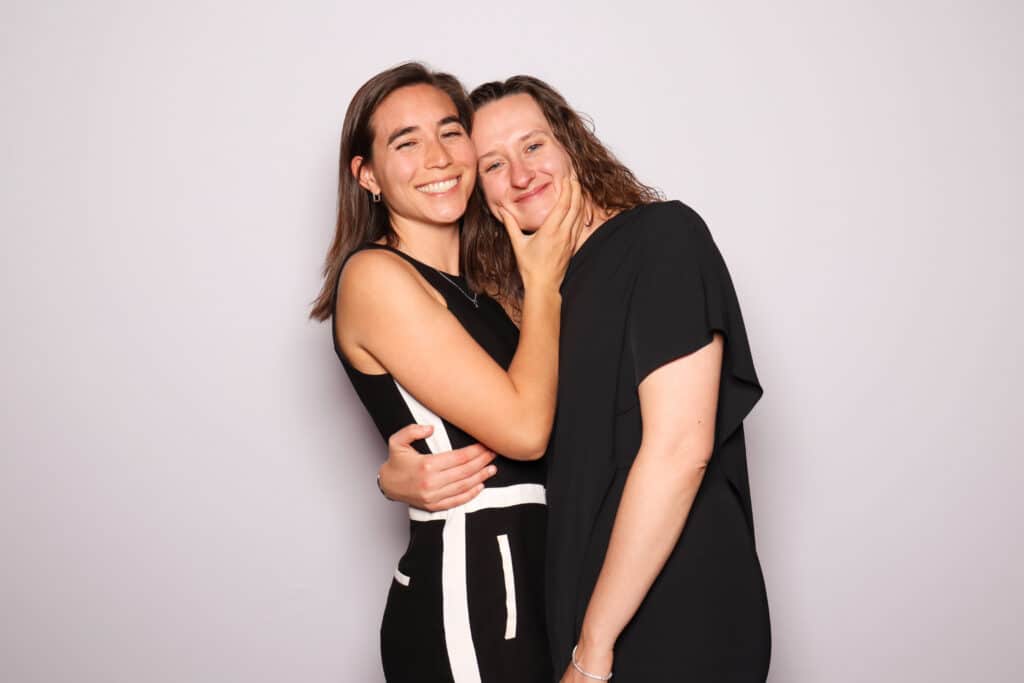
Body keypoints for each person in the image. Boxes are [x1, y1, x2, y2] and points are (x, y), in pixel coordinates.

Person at [381, 76, 771, 681]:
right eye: (492, 164)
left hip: (667, 600)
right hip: (577, 604)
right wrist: (403, 477)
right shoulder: (534, 303)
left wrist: (594, 649)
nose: (519, 173)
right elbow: (515, 439)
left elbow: (678, 452)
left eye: (533, 146)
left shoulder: (662, 237)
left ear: (570, 145)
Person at [310, 63, 584, 682]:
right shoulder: (375, 277)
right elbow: (524, 429)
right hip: (471, 595)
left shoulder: (486, 291)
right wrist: (543, 283)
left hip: (537, 586)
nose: (438, 158)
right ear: (368, 175)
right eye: (406, 143)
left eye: (450, 132)